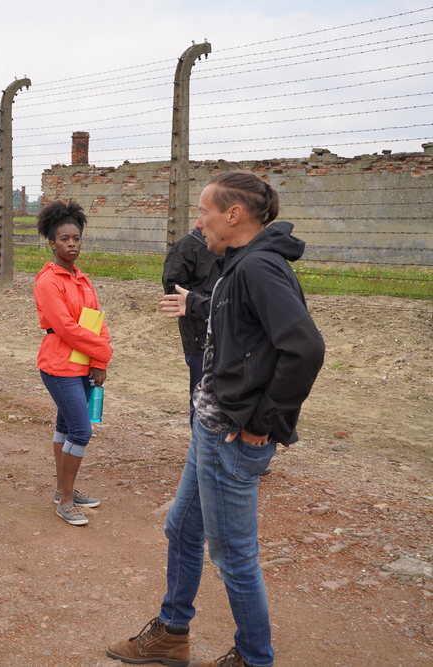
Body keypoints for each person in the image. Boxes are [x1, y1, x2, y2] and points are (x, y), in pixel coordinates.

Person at [106, 171, 325, 667]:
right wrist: (197, 302)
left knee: (233, 556)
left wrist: (262, 423)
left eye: (204, 211)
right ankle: (171, 633)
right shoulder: (239, 264)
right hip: (210, 429)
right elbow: (243, 321)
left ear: (234, 214)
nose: (198, 222)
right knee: (181, 529)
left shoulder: (259, 268)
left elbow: (305, 349)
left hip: (232, 437)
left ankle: (254, 657)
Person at [33, 200, 112, 526]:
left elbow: (96, 319)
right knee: (80, 430)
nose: (72, 244)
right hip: (58, 365)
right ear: (52, 243)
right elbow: (65, 327)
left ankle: (63, 489)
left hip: (82, 363)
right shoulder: (48, 281)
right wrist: (103, 353)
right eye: (64, 239)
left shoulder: (82, 279)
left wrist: (98, 356)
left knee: (65, 427)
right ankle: (66, 501)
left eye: (76, 238)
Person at [161, 225, 220, 419]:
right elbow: (174, 289)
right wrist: (208, 304)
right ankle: (201, 447)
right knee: (202, 401)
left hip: (233, 339)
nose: (201, 222)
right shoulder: (187, 246)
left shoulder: (237, 247)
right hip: (200, 338)